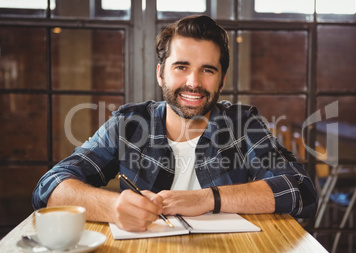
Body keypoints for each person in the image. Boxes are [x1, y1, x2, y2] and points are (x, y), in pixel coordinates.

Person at [32, 15, 318, 232]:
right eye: (181, 67)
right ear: (161, 74)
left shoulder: (243, 123)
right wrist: (112, 206)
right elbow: (49, 188)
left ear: (222, 79)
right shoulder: (129, 124)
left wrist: (209, 199)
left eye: (207, 70)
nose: (194, 82)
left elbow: (300, 190)